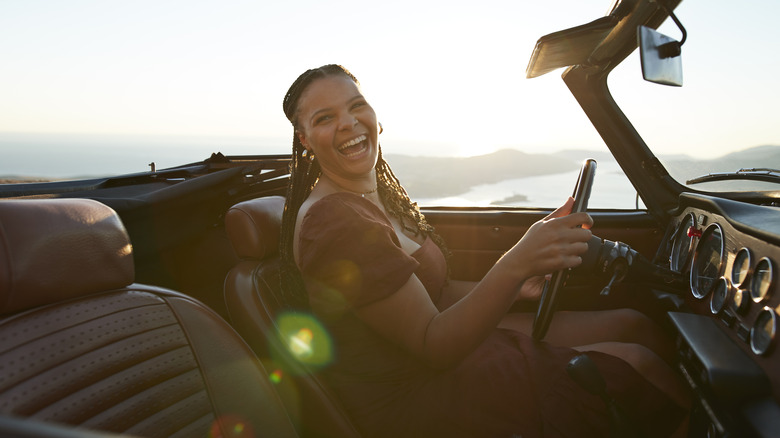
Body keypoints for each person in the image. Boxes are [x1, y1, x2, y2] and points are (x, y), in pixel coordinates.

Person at [278, 64, 687, 437]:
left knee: (633, 325)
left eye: (356, 106)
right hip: (417, 397)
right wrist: (514, 264)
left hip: (440, 356)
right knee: (636, 363)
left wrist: (516, 282)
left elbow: (433, 295)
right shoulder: (334, 222)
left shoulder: (372, 196)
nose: (349, 123)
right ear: (305, 138)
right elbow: (432, 344)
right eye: (325, 118)